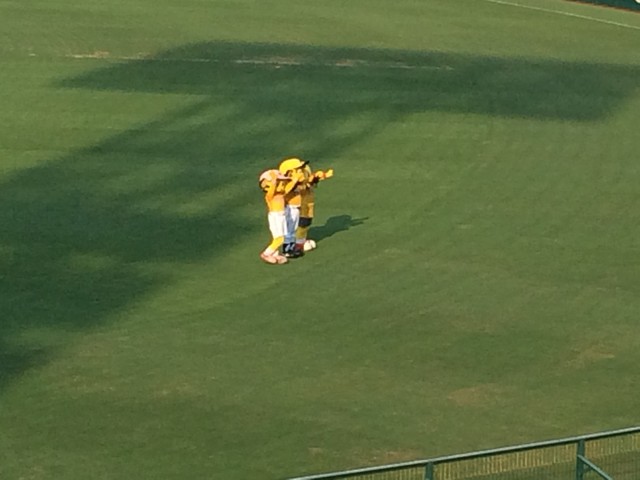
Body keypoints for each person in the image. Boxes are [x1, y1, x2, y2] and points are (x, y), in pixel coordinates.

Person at [278, 158, 333, 257]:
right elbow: (289, 190)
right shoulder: (286, 180)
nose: (301, 170)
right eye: (298, 168)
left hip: (306, 202)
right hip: (292, 205)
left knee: (305, 221)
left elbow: (309, 182)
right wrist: (297, 181)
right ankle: (288, 248)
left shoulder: (305, 171)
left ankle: (300, 242)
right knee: (291, 226)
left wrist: (317, 177)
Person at [257, 169, 301, 265]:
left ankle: (274, 254)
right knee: (280, 238)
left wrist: (294, 180)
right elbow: (271, 191)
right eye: (279, 183)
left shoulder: (281, 194)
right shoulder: (270, 196)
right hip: (275, 217)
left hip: (281, 217)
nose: (282, 185)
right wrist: (273, 181)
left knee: (278, 237)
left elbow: (288, 189)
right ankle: (266, 254)